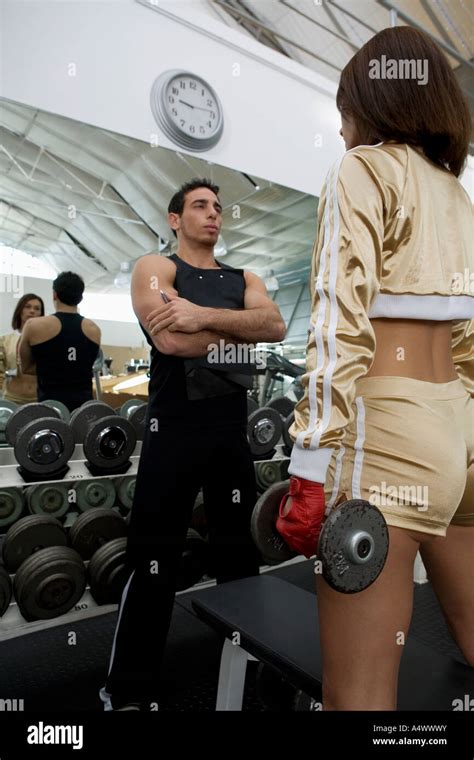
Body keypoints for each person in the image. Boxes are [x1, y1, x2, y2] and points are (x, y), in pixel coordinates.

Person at [276, 25, 473, 711]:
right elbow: (470, 341)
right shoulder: (456, 193)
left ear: (371, 100)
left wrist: (306, 470)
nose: (340, 131)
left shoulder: (363, 171)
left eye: (344, 112)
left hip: (382, 439)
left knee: (357, 694)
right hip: (455, 435)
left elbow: (338, 324)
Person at [100, 178, 286, 711]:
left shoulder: (244, 276)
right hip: (172, 433)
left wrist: (201, 315)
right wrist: (238, 335)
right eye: (200, 206)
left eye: (218, 208)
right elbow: (169, 339)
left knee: (239, 556)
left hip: (230, 434)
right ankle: (127, 689)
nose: (213, 214)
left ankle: (250, 672)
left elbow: (272, 324)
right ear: (175, 219)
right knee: (152, 560)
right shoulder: (156, 269)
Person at [18, 271, 101, 412]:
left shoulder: (33, 326)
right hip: (83, 411)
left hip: (50, 408)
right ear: (80, 297)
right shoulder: (94, 330)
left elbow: (25, 367)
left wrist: (53, 368)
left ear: (54, 294)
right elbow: (85, 367)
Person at [0, 293, 44, 404]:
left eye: (37, 308)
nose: (32, 311)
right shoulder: (5, 341)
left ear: (41, 314)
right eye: (28, 307)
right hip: (11, 399)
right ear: (20, 310)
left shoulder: (45, 342)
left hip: (38, 399)